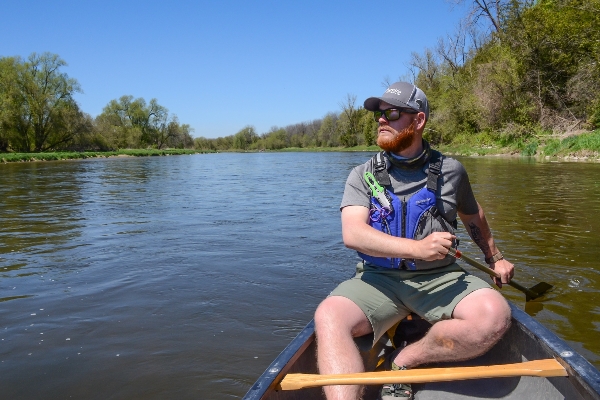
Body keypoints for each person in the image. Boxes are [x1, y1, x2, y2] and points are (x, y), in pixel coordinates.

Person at [314, 82, 515, 400]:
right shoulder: (362, 175)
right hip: (377, 281)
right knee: (328, 316)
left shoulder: (452, 172)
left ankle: (405, 361)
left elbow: (473, 215)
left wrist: (495, 258)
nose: (382, 119)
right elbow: (352, 234)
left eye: (392, 113)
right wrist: (417, 248)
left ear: (418, 120)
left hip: (441, 277)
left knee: (495, 315)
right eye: (379, 114)